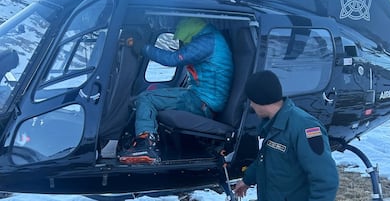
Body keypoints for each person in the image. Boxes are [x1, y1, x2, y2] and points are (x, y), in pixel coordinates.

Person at [119, 18, 234, 164]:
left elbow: (172, 59)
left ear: (189, 32)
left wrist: (142, 47)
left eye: (183, 40)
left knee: (146, 98)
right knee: (153, 89)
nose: (182, 43)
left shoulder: (207, 42)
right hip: (201, 97)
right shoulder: (211, 39)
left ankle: (145, 145)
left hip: (202, 101)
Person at [233, 70, 339, 200]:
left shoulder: (305, 127)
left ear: (261, 100)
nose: (252, 106)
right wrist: (247, 180)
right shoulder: (271, 124)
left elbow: (325, 179)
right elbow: (267, 160)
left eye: (252, 101)